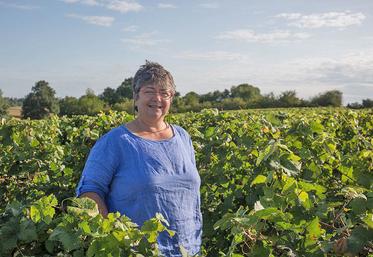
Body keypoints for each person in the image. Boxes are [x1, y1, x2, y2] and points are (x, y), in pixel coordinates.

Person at [76, 61, 202, 256]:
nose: (157, 98)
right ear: (136, 96)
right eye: (150, 91)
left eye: (164, 93)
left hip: (190, 251)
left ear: (172, 98)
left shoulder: (183, 137)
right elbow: (89, 193)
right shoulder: (115, 142)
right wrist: (114, 240)